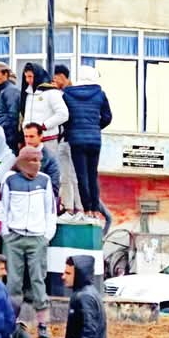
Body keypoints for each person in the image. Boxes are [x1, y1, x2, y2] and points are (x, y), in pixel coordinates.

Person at [2, 146, 57, 338]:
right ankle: (10, 322)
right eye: (32, 160)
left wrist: (46, 236)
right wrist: (6, 233)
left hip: (37, 237)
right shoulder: (10, 180)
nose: (36, 164)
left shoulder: (45, 180)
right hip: (14, 237)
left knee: (37, 280)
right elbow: (4, 208)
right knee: (13, 282)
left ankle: (43, 324)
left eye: (38, 160)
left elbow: (50, 210)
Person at [61, 66, 113, 222]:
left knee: (81, 176)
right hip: (94, 140)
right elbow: (107, 117)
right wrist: (96, 127)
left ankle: (86, 209)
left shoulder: (68, 94)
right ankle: (95, 210)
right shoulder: (100, 94)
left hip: (76, 140)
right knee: (92, 175)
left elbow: (65, 118)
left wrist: (71, 130)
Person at [52, 65, 84, 219]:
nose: (54, 81)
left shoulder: (72, 93)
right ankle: (69, 208)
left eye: (55, 77)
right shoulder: (59, 94)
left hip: (73, 139)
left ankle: (79, 207)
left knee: (74, 175)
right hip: (63, 139)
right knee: (64, 175)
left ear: (61, 76)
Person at [19, 63, 69, 159]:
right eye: (26, 77)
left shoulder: (52, 92)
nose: (28, 80)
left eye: (30, 76)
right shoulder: (28, 94)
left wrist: (44, 126)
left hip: (47, 139)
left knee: (48, 167)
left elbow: (63, 114)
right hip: (30, 140)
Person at [22, 121, 62, 192]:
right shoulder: (22, 154)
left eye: (31, 136)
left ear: (40, 136)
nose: (28, 140)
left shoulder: (50, 158)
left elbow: (54, 186)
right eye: (26, 136)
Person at [0, 61, 21, 151]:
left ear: (5, 74)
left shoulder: (10, 91)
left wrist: (8, 141)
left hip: (9, 140)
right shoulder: (2, 90)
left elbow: (13, 118)